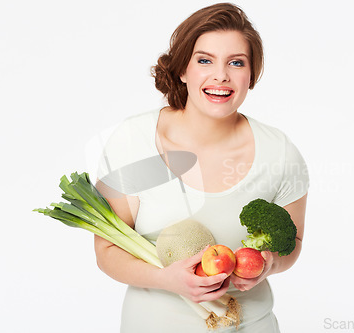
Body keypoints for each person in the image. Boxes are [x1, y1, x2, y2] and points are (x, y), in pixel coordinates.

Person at [94, 3, 309, 332]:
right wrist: (165, 279)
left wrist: (270, 264)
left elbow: (291, 242)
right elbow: (107, 249)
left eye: (236, 62)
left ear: (251, 75)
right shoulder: (133, 141)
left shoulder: (278, 152)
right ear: (183, 70)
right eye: (204, 60)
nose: (221, 75)